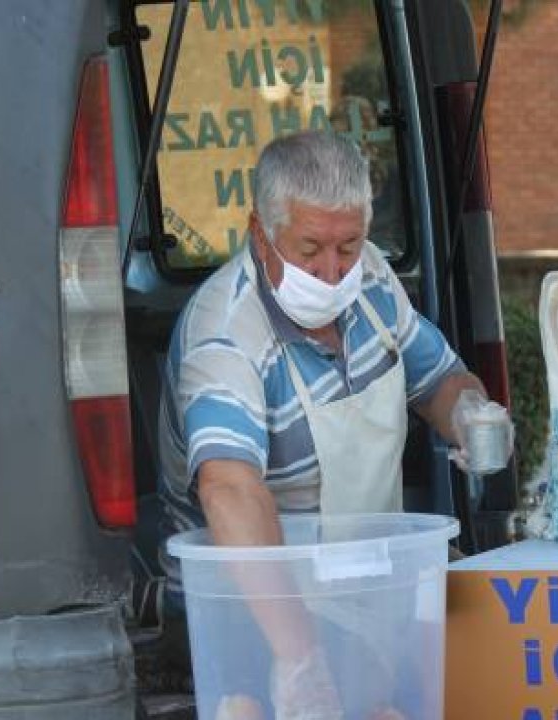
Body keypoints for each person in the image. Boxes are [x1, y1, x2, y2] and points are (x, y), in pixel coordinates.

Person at [155, 131, 513, 718]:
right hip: (250, 602)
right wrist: (300, 660)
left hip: (366, 580)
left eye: (348, 244)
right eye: (310, 248)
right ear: (259, 234)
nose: (331, 271)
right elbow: (228, 488)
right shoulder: (225, 336)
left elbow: (441, 381)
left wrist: (473, 416)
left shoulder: (371, 282)